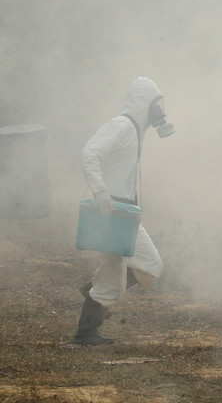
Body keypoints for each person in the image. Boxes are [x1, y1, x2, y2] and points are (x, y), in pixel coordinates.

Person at [73, 77, 176, 345]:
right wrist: (101, 193)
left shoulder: (135, 130)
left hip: (124, 213)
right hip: (109, 213)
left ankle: (94, 292)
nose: (160, 110)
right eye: (156, 104)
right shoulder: (120, 125)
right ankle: (86, 333)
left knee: (152, 267)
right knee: (112, 277)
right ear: (144, 103)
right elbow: (90, 153)